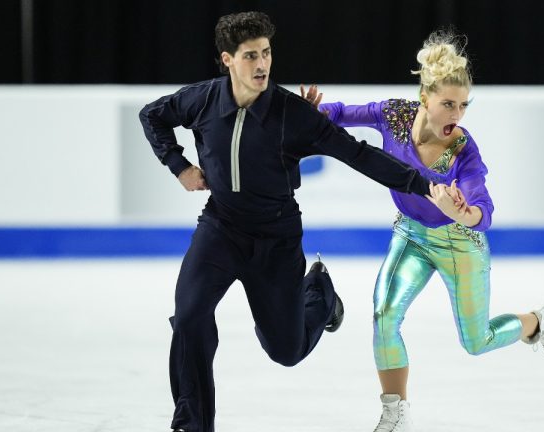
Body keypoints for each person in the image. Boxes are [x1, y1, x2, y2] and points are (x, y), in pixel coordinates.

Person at [138, 11, 450, 432]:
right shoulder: (204, 100)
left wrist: (422, 183)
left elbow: (356, 153)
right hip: (221, 228)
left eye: (266, 53)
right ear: (227, 59)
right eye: (250, 56)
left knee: (285, 350)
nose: (262, 64)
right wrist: (179, 166)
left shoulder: (292, 114)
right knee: (190, 316)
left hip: (275, 239)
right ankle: (193, 423)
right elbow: (152, 115)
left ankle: (319, 295)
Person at [304, 30, 544, 432]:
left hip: (461, 245)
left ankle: (542, 317)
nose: (457, 115)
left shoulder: (463, 150)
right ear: (424, 98)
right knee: (383, 314)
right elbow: (340, 113)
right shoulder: (393, 114)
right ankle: (396, 413)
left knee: (475, 342)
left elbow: (485, 211)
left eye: (464, 105)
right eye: (448, 104)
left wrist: (462, 215)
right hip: (411, 235)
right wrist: (316, 113)